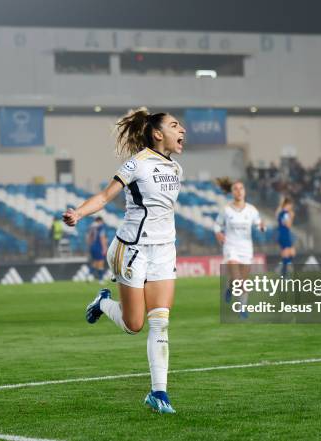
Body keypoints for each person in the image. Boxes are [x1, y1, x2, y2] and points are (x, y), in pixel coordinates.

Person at [63, 108, 185, 414]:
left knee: (161, 322)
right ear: (158, 133)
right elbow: (105, 196)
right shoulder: (137, 163)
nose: (181, 129)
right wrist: (78, 212)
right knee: (134, 325)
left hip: (164, 250)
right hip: (131, 248)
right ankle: (102, 303)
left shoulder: (176, 169)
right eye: (174, 125)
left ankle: (159, 394)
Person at [214, 178, 265, 318]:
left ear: (245, 191)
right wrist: (218, 233)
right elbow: (217, 224)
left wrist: (262, 227)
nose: (239, 191)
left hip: (246, 248)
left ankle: (229, 288)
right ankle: (242, 309)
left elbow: (259, 224)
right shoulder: (226, 210)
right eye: (236, 189)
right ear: (232, 192)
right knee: (239, 281)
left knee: (242, 279)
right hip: (231, 247)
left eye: (241, 188)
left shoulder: (251, 210)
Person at [277, 197, 296, 278]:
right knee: (287, 254)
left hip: (283, 234)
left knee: (292, 252)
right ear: (287, 205)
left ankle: (282, 268)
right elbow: (288, 225)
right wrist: (292, 217)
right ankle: (283, 274)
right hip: (284, 235)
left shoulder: (281, 213)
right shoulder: (285, 214)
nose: (291, 207)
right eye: (290, 205)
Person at [86, 216, 108, 283]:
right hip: (99, 246)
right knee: (101, 262)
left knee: (95, 262)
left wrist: (90, 246)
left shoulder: (91, 227)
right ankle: (101, 279)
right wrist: (104, 248)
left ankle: (89, 276)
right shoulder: (100, 227)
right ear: (100, 221)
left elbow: (88, 238)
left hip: (92, 246)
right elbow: (102, 238)